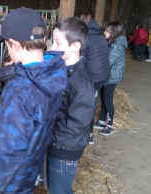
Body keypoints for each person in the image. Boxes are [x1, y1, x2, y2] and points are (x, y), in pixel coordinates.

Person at [0, 7, 68, 194]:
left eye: (8, 46)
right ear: (43, 40)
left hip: (6, 184)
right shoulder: (54, 73)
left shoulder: (20, 91)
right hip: (27, 175)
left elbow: (7, 151)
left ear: (15, 45)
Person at [46, 17, 96, 194]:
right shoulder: (64, 70)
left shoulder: (82, 83)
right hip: (56, 143)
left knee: (60, 190)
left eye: (58, 43)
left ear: (75, 46)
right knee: (54, 187)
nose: (52, 48)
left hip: (64, 149)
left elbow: (77, 124)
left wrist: (50, 135)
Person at [80, 12, 110, 144]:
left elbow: (82, 60)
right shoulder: (101, 37)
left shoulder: (87, 39)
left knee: (89, 105)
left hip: (94, 76)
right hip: (103, 75)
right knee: (93, 101)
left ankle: (89, 135)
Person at [95, 21, 128, 136]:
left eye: (107, 31)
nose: (104, 32)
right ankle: (101, 121)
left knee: (108, 99)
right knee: (103, 97)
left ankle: (110, 125)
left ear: (113, 32)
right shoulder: (112, 42)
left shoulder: (117, 45)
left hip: (112, 76)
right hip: (107, 74)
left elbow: (109, 61)